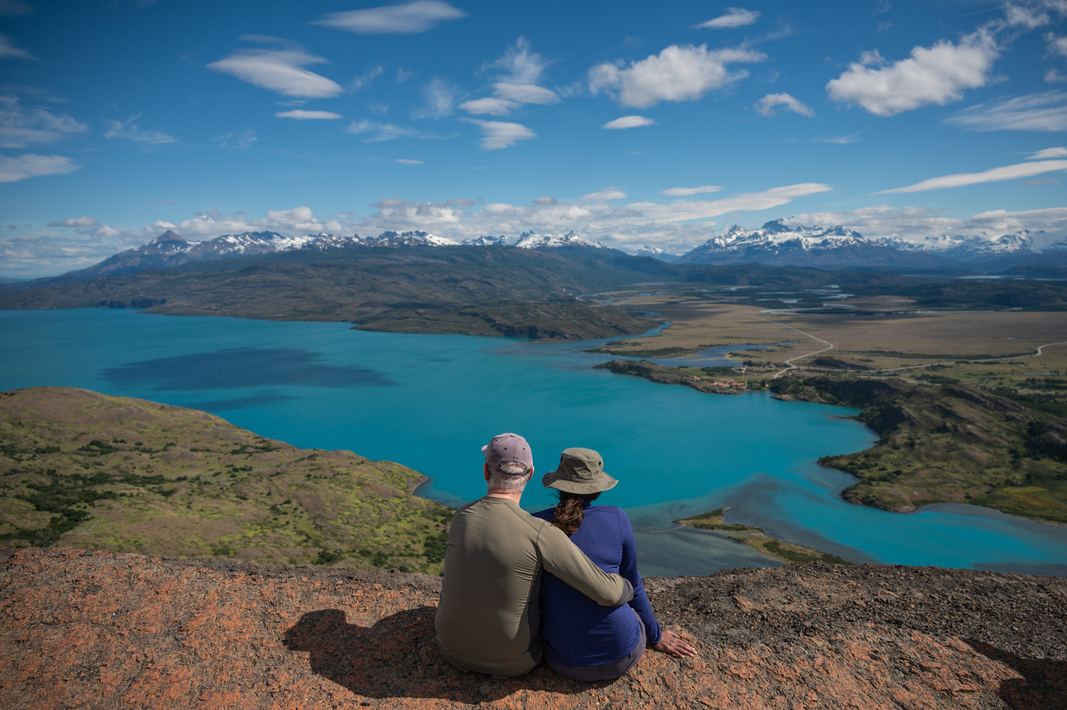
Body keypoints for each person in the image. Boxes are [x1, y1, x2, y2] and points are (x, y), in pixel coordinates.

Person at [434, 433, 635, 679]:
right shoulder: (539, 531)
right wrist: (625, 584)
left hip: (449, 650)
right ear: (530, 475)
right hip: (513, 662)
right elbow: (608, 593)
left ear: (486, 471)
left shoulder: (461, 517)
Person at [532, 447, 697, 681]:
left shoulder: (534, 525)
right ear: (597, 489)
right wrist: (656, 636)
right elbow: (633, 583)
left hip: (564, 660)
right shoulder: (617, 517)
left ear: (558, 485)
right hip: (621, 655)